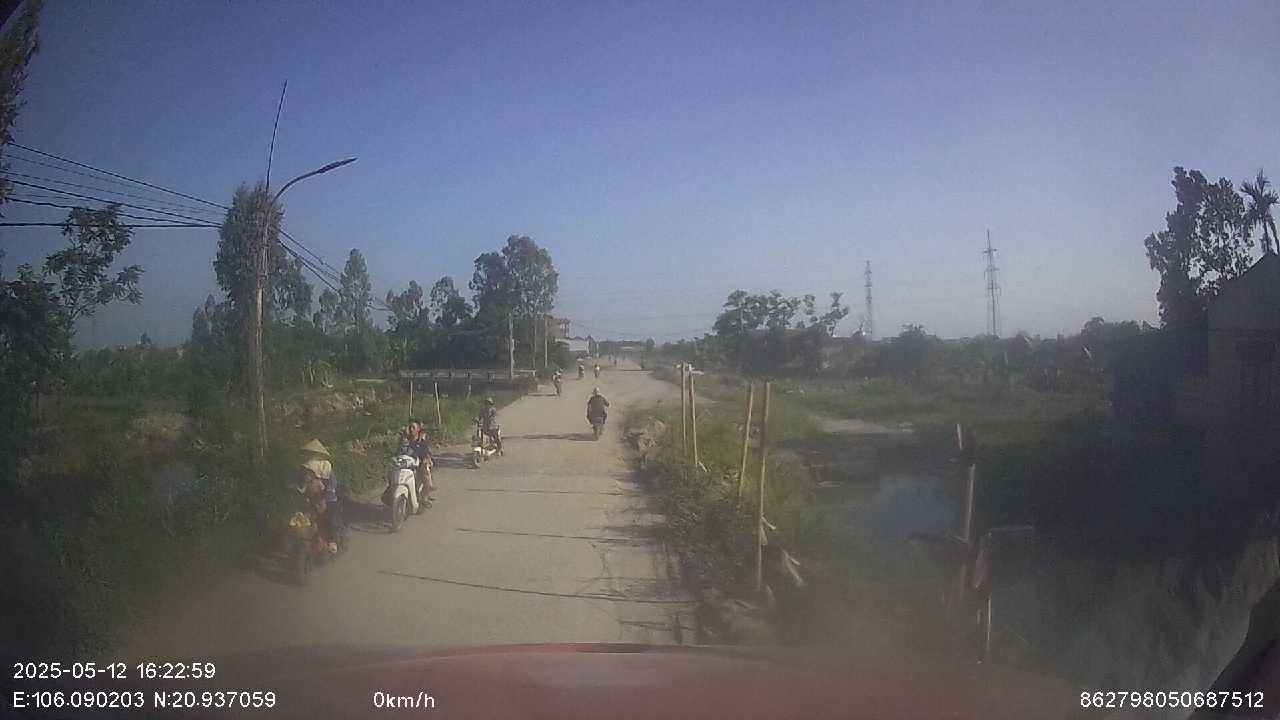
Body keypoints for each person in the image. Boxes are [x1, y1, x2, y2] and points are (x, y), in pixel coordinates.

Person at [298, 439, 338, 554]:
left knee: (327, 518)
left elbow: (330, 484)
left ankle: (331, 541)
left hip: (322, 498)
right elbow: (300, 483)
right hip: (314, 498)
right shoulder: (308, 467)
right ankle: (328, 541)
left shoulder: (323, 466)